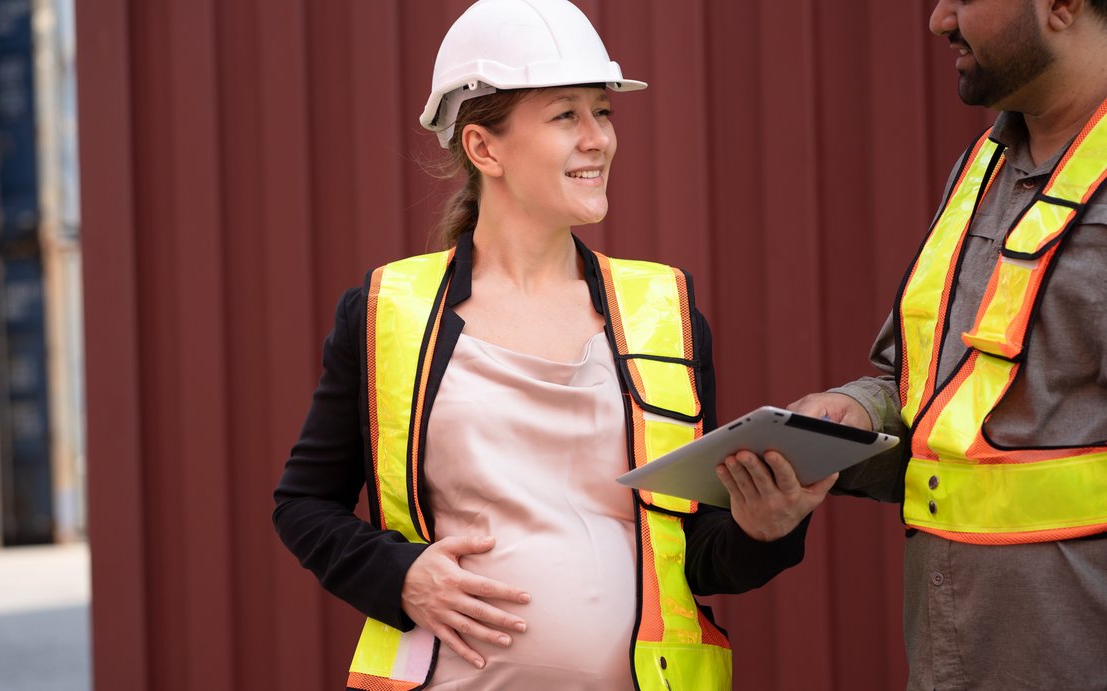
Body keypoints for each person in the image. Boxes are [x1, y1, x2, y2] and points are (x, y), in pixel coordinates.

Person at [272, 1, 836, 689]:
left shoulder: (663, 311)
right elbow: (303, 504)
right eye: (567, 115)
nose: (599, 138)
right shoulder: (388, 313)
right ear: (484, 148)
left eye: (603, 112)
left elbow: (693, 555)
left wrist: (762, 528)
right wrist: (401, 575)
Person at [786, 0, 1107, 688]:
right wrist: (851, 418)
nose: (939, 20)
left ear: (1062, 5)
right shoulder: (981, 169)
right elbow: (942, 400)